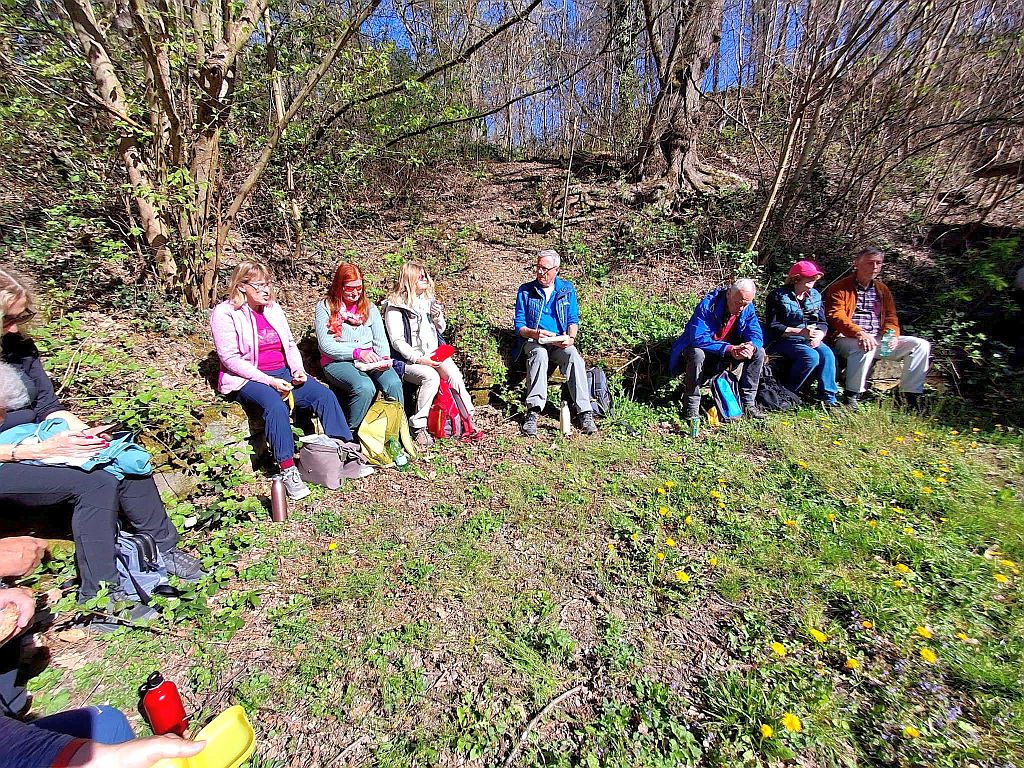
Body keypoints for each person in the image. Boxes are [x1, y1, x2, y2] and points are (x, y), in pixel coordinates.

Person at [0, 269, 202, 623]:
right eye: (8, 319)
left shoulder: (17, 348)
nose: (16, 328)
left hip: (38, 437)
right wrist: (35, 452)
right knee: (95, 482)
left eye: (22, 318)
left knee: (123, 454)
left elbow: (48, 407)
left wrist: (86, 435)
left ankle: (162, 549)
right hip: (10, 457)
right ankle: (101, 597)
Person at [211, 260, 355, 501]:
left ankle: (342, 452)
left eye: (268, 284)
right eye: (259, 285)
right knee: (275, 406)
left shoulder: (273, 309)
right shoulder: (225, 313)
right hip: (247, 378)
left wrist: (298, 370)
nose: (266, 290)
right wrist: (268, 381)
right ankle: (288, 470)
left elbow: (288, 344)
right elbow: (230, 359)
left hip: (282, 372)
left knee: (324, 396)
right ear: (242, 286)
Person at [824, 247, 931, 410]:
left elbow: (891, 316)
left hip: (878, 338)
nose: (874, 267)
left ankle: (909, 397)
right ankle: (852, 395)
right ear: (856, 264)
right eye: (870, 263)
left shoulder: (882, 289)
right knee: (865, 346)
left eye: (878, 263)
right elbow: (836, 316)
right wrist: (859, 332)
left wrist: (892, 335)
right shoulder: (840, 287)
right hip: (846, 339)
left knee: (920, 345)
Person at [383, 261, 474, 449]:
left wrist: (437, 316)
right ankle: (418, 427)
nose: (425, 278)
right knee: (431, 377)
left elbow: (441, 329)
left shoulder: (427, 300)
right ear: (409, 279)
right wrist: (419, 359)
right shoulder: (395, 307)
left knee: (455, 376)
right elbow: (397, 342)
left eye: (425, 275)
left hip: (433, 354)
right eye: (420, 276)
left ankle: (467, 420)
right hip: (407, 360)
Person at [513, 250, 597, 437]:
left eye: (544, 269)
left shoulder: (567, 289)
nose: (540, 272)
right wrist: (535, 333)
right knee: (539, 354)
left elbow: (573, 319)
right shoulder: (526, 290)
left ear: (556, 270)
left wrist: (570, 338)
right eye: (538, 267)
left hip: (559, 341)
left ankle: (585, 412)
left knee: (573, 356)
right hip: (534, 340)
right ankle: (533, 411)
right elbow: (519, 326)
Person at [668, 278, 767, 436]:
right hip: (701, 351)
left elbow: (755, 333)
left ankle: (748, 404)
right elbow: (698, 339)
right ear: (729, 294)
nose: (741, 308)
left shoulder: (747, 307)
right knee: (697, 353)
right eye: (738, 303)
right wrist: (729, 349)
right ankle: (691, 408)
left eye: (746, 304)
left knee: (759, 352)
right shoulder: (708, 305)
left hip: (726, 352)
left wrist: (750, 346)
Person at [316, 263, 405, 432]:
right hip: (338, 361)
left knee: (393, 383)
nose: (355, 293)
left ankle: (395, 431)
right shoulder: (325, 307)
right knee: (364, 387)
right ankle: (352, 432)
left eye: (358, 288)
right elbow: (326, 346)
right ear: (339, 286)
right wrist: (357, 352)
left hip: (370, 359)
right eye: (350, 288)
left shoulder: (369, 308)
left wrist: (384, 358)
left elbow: (380, 340)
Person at [764, 260, 840, 407]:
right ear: (796, 278)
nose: (813, 279)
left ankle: (829, 399)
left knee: (827, 354)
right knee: (810, 357)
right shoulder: (777, 296)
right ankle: (788, 393)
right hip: (785, 339)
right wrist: (800, 332)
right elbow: (773, 326)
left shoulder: (815, 296)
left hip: (810, 338)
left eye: (815, 277)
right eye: (809, 276)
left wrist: (820, 335)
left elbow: (822, 323)